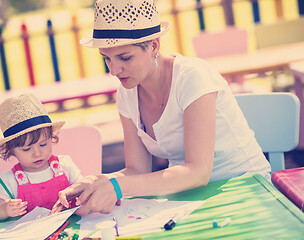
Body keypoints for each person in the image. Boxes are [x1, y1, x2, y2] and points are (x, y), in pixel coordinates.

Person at [51, 0, 271, 216]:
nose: (114, 70)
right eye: (106, 59)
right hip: (186, 198)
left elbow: (198, 172)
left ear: (154, 45)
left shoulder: (192, 77)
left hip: (245, 188)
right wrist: (98, 182)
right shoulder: (127, 93)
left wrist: (117, 186)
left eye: (125, 57)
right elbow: (137, 171)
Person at [0, 93, 81, 220]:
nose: (37, 153)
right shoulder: (9, 180)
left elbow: (83, 187)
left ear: (51, 138)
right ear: (11, 150)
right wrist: (5, 209)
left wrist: (81, 196)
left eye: (43, 144)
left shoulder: (65, 165)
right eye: (26, 149)